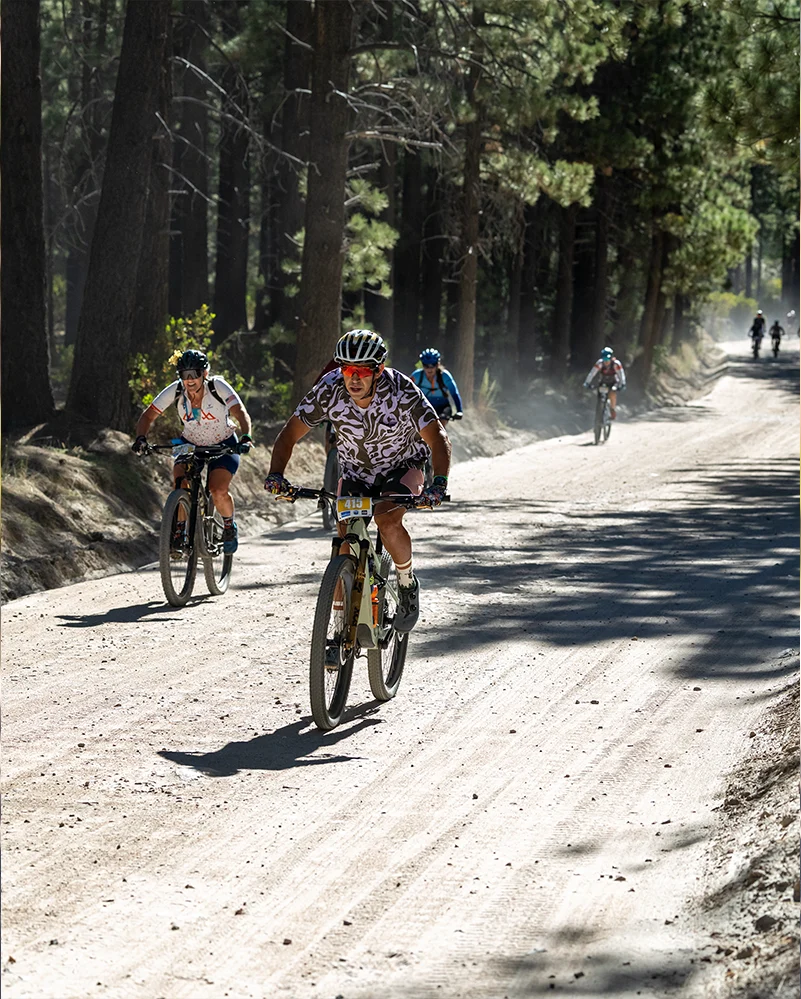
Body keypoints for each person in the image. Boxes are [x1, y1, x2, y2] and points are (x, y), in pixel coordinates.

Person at [264, 330, 451, 633]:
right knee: (344, 536)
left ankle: (406, 582)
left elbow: (438, 437)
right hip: (355, 471)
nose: (353, 379)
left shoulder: (401, 388)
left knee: (386, 520)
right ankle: (339, 627)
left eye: (362, 372)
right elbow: (290, 433)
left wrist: (439, 483)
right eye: (347, 370)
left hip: (403, 466)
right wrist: (276, 474)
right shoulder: (329, 388)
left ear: (377, 370)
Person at [132, 348, 253, 554]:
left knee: (217, 490)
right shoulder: (176, 390)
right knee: (179, 481)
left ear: (204, 374)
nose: (189, 380)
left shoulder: (217, 386)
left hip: (223, 442)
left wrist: (246, 436)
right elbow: (148, 416)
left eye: (194, 374)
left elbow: (240, 412)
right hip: (189, 442)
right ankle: (180, 530)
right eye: (184, 375)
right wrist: (141, 438)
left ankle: (228, 526)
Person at [410, 348, 464, 421]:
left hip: (442, 407)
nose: (429, 369)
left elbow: (454, 394)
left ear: (438, 364)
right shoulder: (416, 376)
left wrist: (459, 411)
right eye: (426, 365)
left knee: (441, 425)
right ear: (422, 364)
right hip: (424, 407)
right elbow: (407, 391)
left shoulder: (445, 376)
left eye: (433, 365)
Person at [582, 346, 626, 419]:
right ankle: (599, 410)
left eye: (608, 359)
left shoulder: (616, 364)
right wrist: (587, 382)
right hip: (603, 381)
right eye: (604, 359)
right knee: (599, 394)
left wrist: (622, 384)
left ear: (611, 357)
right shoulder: (600, 363)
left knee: (612, 393)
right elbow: (592, 373)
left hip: (613, 382)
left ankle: (612, 410)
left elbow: (621, 374)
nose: (606, 361)